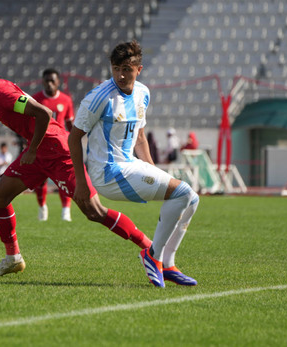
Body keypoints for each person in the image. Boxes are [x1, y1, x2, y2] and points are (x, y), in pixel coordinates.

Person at [0, 52, 151, 277]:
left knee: (94, 211)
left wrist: (31, 150)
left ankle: (151, 248)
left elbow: (44, 112)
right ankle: (13, 258)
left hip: (57, 151)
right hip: (38, 152)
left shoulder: (1, 93)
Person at [69, 39, 200, 288]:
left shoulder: (143, 93)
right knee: (182, 192)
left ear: (139, 70)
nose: (120, 74)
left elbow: (139, 137)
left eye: (127, 69)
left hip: (130, 165)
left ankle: (168, 264)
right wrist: (82, 181)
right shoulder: (99, 98)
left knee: (191, 198)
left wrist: (153, 170)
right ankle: (153, 255)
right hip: (108, 173)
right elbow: (74, 138)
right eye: (116, 68)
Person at [32, 68, 75, 221]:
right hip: (42, 146)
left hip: (61, 147)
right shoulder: (36, 99)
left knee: (64, 179)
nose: (49, 84)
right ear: (42, 82)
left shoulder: (66, 99)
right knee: (40, 179)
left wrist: (74, 142)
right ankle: (42, 207)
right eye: (46, 81)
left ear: (58, 82)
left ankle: (66, 211)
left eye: (52, 81)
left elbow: (70, 124)